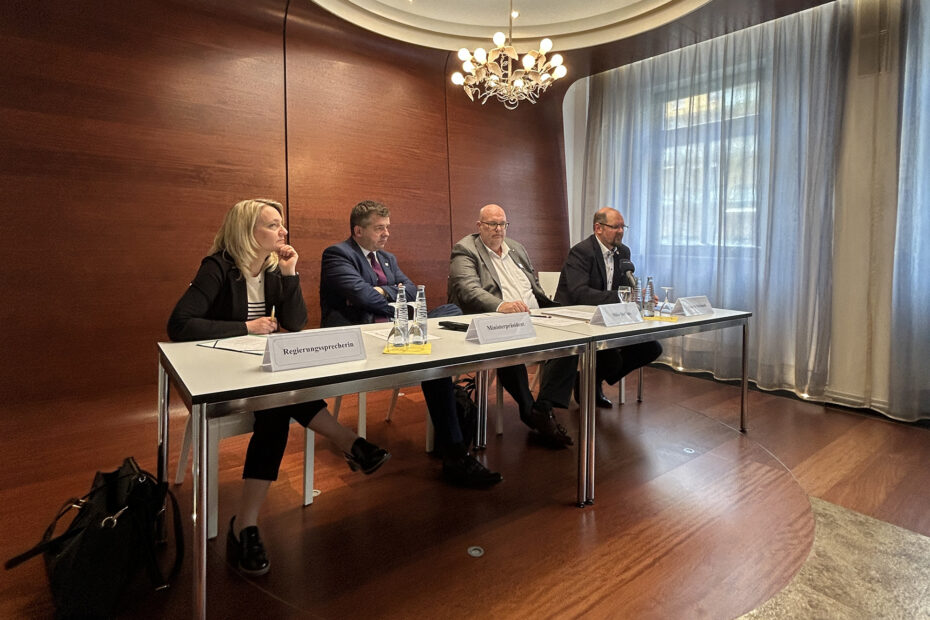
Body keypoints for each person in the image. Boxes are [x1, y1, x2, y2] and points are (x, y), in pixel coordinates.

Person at [167, 198, 390, 577]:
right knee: (278, 403)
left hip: (262, 372)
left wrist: (289, 274)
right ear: (246, 232)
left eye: (281, 225)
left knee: (284, 394)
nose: (283, 232)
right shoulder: (218, 268)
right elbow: (180, 325)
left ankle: (247, 523)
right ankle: (347, 443)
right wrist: (246, 327)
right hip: (221, 374)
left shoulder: (272, 270)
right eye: (273, 225)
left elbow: (297, 323)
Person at [320, 199, 502, 488]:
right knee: (434, 355)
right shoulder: (337, 255)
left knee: (452, 313)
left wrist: (385, 292)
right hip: (365, 336)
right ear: (358, 231)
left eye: (387, 227)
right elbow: (364, 298)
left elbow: (414, 290)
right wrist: (394, 299)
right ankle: (455, 451)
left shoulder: (388, 258)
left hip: (401, 331)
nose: (386, 234)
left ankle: (454, 447)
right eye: (379, 228)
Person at [447, 204, 574, 448]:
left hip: (536, 317)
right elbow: (468, 290)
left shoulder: (516, 248)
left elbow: (533, 287)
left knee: (572, 341)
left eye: (502, 224)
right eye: (492, 224)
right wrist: (500, 306)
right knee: (509, 345)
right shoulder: (465, 249)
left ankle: (543, 406)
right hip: (494, 322)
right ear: (479, 226)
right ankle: (530, 411)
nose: (498, 229)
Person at [540, 207, 663, 409]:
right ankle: (570, 393)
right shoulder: (582, 251)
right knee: (611, 358)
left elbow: (626, 285)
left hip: (607, 319)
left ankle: (590, 380)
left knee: (651, 347)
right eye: (616, 227)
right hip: (575, 319)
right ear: (598, 228)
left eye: (623, 227)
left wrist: (640, 297)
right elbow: (579, 293)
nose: (621, 231)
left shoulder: (623, 252)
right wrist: (625, 297)